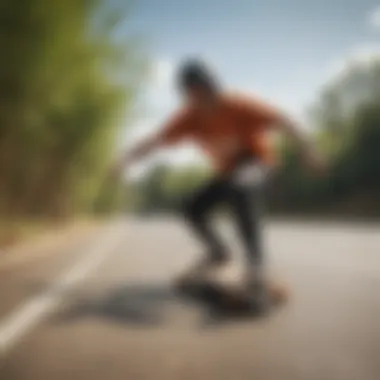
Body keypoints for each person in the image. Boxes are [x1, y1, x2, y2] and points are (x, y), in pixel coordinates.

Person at [111, 58, 325, 306]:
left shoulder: (239, 105)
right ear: (189, 95)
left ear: (213, 88)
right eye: (195, 96)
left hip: (260, 165)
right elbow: (155, 141)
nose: (202, 103)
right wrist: (125, 160)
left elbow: (284, 121)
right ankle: (218, 253)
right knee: (191, 208)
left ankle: (256, 269)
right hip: (228, 175)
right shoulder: (188, 118)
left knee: (241, 186)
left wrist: (309, 150)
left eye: (206, 94)